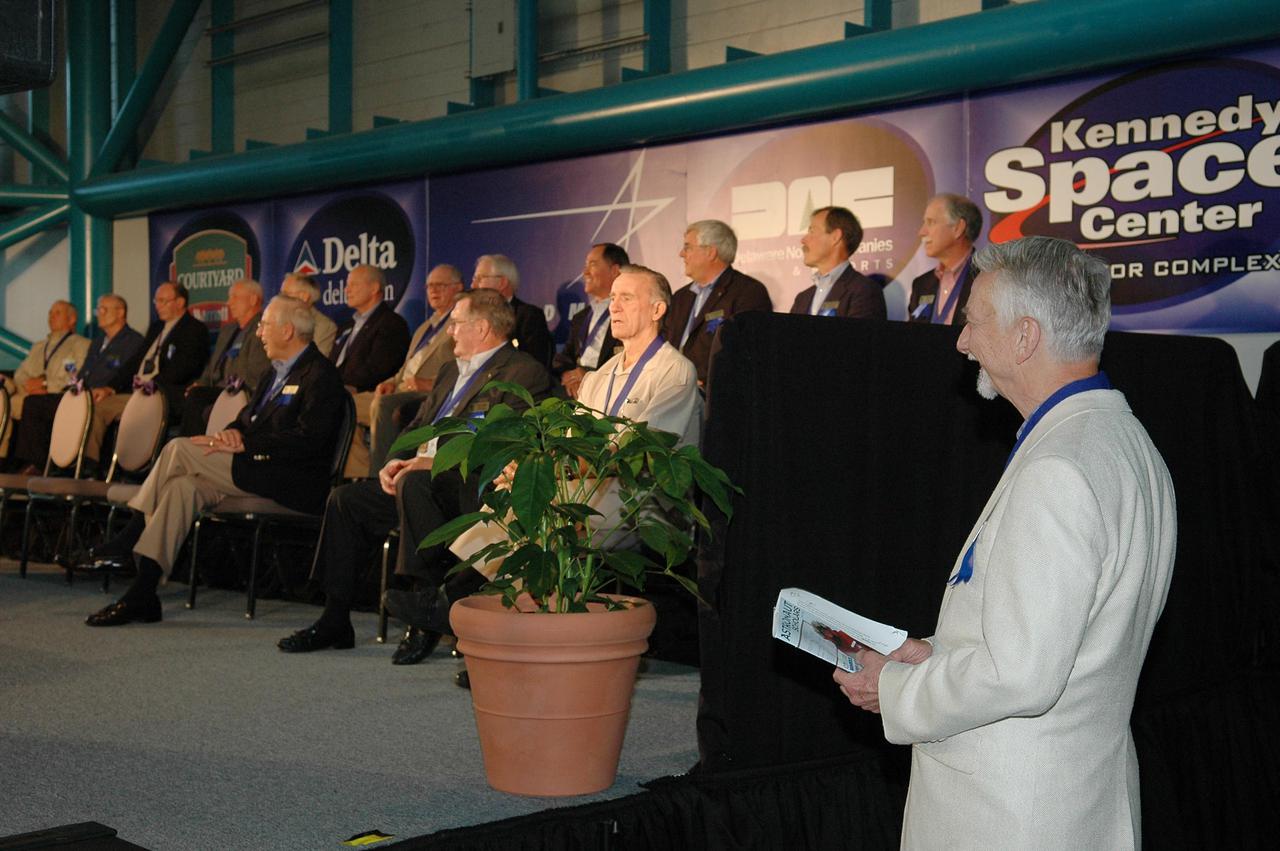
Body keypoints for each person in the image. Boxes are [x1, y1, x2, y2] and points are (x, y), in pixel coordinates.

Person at [834, 236, 1177, 849]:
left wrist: (891, 686)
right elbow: (1062, 637)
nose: (963, 343)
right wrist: (934, 652)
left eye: (974, 323)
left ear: (1025, 337)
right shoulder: (1127, 444)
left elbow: (1022, 675)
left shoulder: (1060, 468)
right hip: (1075, 797)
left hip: (1012, 814)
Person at [275, 289, 552, 662]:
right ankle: (334, 619)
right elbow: (419, 426)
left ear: (483, 327)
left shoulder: (523, 372)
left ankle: (423, 614)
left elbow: (501, 444)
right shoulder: (450, 370)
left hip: (466, 489)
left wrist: (428, 466)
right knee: (346, 500)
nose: (450, 331)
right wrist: (396, 460)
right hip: (418, 482)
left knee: (415, 482)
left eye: (456, 324)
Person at [82, 295, 348, 627]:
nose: (259, 332)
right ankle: (143, 594)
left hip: (289, 479)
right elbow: (247, 420)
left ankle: (130, 533)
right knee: (181, 488)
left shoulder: (320, 375)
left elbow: (310, 440)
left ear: (287, 330)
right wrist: (231, 434)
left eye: (264, 325)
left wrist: (246, 445)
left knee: (179, 449)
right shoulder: (274, 373)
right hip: (255, 468)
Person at [10, 295, 144, 471]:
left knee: (40, 404)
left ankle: (65, 467)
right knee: (34, 402)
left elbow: (121, 375)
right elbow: (82, 373)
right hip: (81, 391)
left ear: (120, 313)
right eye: (98, 310)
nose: (99, 314)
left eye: (104, 309)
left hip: (105, 395)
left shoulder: (132, 341)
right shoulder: (98, 342)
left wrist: (103, 390)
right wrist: (71, 388)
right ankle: (37, 464)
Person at [84, 282, 209, 469]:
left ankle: (90, 468)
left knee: (100, 409)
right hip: (137, 392)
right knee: (94, 403)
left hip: (162, 394)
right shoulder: (157, 327)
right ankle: (89, 466)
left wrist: (148, 387)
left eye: (163, 301)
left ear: (180, 302)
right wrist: (111, 387)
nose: (157, 305)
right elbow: (134, 363)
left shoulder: (194, 329)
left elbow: (182, 370)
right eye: (156, 300)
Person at [365, 264, 465, 474]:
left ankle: (378, 476)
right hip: (403, 388)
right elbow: (407, 366)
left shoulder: (459, 326)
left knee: (383, 405)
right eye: (429, 286)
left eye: (440, 285)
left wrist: (431, 384)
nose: (433, 290)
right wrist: (391, 381)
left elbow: (465, 368)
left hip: (427, 392)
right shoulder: (424, 327)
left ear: (458, 288)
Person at [664, 220, 772, 385]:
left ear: (710, 252)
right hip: (673, 392)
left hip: (715, 395)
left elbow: (748, 351)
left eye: (688, 247)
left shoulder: (748, 292)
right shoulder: (680, 297)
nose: (681, 254)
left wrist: (704, 381)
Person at [2, 300, 91, 463]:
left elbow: (74, 376)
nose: (51, 317)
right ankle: (2, 458)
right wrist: (29, 384)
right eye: (50, 313)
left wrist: (45, 385)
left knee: (31, 403)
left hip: (55, 396)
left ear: (72, 319)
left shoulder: (79, 344)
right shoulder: (38, 346)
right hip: (27, 393)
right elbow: (20, 373)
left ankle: (31, 463)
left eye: (57, 313)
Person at [178, 279, 269, 436]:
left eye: (234, 297)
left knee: (197, 397)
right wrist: (200, 383)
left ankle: (187, 448)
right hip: (217, 389)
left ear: (253, 300)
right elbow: (212, 365)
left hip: (239, 392)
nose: (229, 303)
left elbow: (256, 374)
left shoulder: (262, 329)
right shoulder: (228, 329)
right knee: (192, 392)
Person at [552, 243, 626, 398]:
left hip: (610, 389)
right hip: (576, 389)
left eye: (592, 265)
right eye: (586, 265)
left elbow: (628, 360)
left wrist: (589, 377)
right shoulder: (581, 316)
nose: (585, 272)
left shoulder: (628, 312)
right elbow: (564, 357)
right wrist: (568, 375)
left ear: (614, 271)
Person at [790, 206, 885, 319]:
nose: (803, 240)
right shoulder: (802, 299)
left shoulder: (865, 291)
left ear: (835, 237)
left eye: (812, 231)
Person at [330, 263, 411, 392]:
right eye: (347, 285)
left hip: (364, 394)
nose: (346, 290)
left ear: (374, 288)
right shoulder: (346, 326)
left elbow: (379, 370)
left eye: (353, 285)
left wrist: (338, 386)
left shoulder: (391, 324)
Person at [907, 193, 983, 324]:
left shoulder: (986, 277)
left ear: (958, 228)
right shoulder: (921, 284)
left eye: (931, 222)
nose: (922, 232)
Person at [471, 254, 554, 368]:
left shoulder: (529, 316)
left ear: (502, 282)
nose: (473, 285)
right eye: (474, 279)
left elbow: (533, 365)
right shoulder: (474, 317)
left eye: (480, 279)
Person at [280, 273, 338, 356]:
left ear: (304, 297)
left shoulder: (325, 327)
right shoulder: (279, 321)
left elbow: (315, 362)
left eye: (286, 294)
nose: (280, 299)